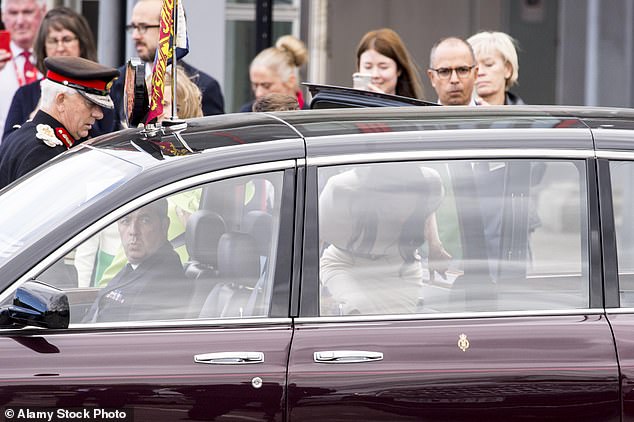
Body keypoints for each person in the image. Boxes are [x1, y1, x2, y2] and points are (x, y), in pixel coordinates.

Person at [319, 163, 445, 315]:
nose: (402, 218)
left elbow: (427, 210)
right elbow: (313, 239)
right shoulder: (341, 190)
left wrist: (435, 247)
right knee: (357, 315)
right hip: (345, 263)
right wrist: (312, 292)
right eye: (393, 208)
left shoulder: (430, 182)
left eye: (410, 207)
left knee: (395, 330)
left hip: (400, 266)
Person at [0, 56, 118, 188]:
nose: (99, 115)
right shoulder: (43, 153)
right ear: (61, 100)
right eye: (90, 103)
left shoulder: (24, 134)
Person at [109, 0, 224, 129]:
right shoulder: (118, 81)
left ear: (169, 29)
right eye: (133, 27)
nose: (135, 36)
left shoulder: (204, 86)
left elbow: (210, 140)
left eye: (143, 27)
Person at [3, 7, 111, 141]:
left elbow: (109, 140)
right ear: (44, 47)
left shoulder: (101, 92)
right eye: (53, 41)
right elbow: (8, 146)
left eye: (66, 39)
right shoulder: (25, 94)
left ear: (82, 44)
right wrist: (37, 117)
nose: (60, 48)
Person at [82, 199, 189, 323]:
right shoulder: (137, 266)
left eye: (145, 221)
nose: (133, 231)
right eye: (125, 221)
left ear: (164, 226)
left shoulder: (165, 283)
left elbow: (133, 339)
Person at [0, 0, 46, 137]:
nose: (20, 21)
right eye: (13, 13)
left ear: (43, 12)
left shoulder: (56, 53)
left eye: (27, 12)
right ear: (3, 16)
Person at [239, 35, 308, 112]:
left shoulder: (313, 116)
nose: (258, 93)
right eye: (255, 85)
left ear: (291, 81)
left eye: (266, 86)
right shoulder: (246, 113)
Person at [355, 28, 424, 99]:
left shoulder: (414, 109)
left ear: (399, 69)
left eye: (383, 67)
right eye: (368, 67)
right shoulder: (346, 109)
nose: (375, 75)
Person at [467, 31, 525, 105]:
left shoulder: (526, 115)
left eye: (489, 64)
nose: (480, 72)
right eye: (474, 67)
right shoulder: (456, 113)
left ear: (508, 69)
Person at [427, 37, 478, 106]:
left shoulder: (491, 116)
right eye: (444, 72)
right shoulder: (418, 116)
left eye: (462, 70)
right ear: (432, 77)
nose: (454, 80)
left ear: (475, 74)